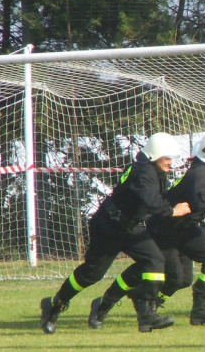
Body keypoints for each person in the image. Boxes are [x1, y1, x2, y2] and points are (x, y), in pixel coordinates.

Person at [93, 130, 205, 327]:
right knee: (156, 272)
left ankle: (201, 309)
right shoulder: (200, 173)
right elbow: (203, 203)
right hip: (165, 228)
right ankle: (108, 302)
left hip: (185, 227)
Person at [40, 132, 189, 333]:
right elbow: (153, 204)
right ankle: (56, 304)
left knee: (155, 261)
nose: (170, 163)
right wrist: (173, 211)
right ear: (154, 155)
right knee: (92, 273)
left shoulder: (152, 171)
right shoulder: (144, 173)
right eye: (167, 158)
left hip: (131, 227)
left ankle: (145, 315)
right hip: (108, 226)